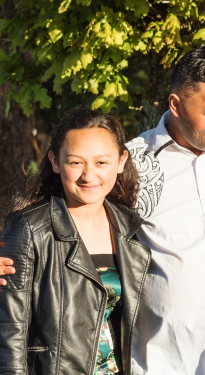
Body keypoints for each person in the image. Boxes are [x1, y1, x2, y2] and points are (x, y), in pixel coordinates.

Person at [0, 44, 205, 375]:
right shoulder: (128, 163)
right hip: (161, 363)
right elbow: (67, 219)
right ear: (176, 105)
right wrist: (12, 253)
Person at [0, 109, 151, 374]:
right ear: (55, 162)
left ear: (121, 161)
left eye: (101, 162)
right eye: (75, 162)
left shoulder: (132, 227)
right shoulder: (30, 228)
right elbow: (9, 332)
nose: (89, 176)